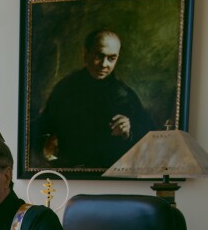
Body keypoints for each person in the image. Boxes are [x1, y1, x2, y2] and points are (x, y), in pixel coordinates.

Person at [34, 28, 154, 169]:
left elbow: (149, 143)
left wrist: (128, 133)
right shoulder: (65, 88)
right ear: (85, 54)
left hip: (109, 176)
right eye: (99, 56)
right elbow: (42, 127)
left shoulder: (126, 97)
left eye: (111, 58)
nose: (104, 64)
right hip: (69, 173)